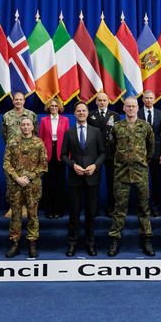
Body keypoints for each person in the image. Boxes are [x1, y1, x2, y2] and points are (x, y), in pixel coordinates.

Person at [107, 96, 155, 257]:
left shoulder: (145, 126)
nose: (131, 109)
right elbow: (112, 148)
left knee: (143, 208)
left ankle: (146, 239)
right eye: (128, 106)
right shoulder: (117, 127)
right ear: (124, 108)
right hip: (121, 174)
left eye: (134, 106)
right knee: (119, 209)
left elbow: (151, 148)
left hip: (140, 174)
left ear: (137, 108)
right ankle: (114, 239)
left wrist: (141, 162)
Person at [62, 102, 106, 256]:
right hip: (75, 178)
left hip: (92, 178)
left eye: (83, 110)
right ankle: (72, 244)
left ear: (88, 113)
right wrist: (72, 165)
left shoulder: (96, 132)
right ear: (74, 114)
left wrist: (95, 166)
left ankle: (90, 243)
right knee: (74, 213)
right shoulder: (69, 132)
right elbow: (62, 155)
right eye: (78, 111)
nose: (81, 113)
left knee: (91, 213)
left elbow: (102, 153)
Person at [4, 117, 48, 257]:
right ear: (20, 127)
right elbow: (6, 163)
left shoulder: (39, 143)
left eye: (28, 124)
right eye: (23, 124)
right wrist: (17, 178)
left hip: (32, 185)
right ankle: (15, 243)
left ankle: (32, 243)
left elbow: (43, 166)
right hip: (15, 185)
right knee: (15, 216)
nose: (25, 127)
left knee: (32, 215)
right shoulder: (12, 142)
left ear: (32, 127)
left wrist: (29, 177)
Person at [139, 89, 161, 217]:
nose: (149, 100)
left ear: (154, 99)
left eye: (151, 98)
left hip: (157, 154)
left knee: (156, 182)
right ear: (143, 100)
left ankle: (155, 207)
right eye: (146, 98)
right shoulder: (137, 113)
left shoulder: (160, 114)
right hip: (140, 153)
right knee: (141, 182)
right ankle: (142, 208)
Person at [38, 97, 68, 218]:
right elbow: (40, 138)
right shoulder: (44, 120)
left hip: (60, 154)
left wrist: (67, 155)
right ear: (48, 107)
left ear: (59, 107)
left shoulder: (64, 120)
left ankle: (59, 210)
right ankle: (49, 210)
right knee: (48, 183)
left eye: (56, 106)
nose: (54, 108)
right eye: (52, 106)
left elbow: (67, 139)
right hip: (47, 154)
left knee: (60, 183)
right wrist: (41, 156)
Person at [87, 92, 119, 208]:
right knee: (94, 182)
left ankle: (111, 208)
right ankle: (93, 208)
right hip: (95, 153)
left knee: (111, 181)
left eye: (104, 100)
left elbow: (117, 135)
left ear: (108, 101)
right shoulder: (90, 115)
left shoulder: (114, 115)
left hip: (110, 152)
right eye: (99, 100)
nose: (101, 102)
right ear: (96, 102)